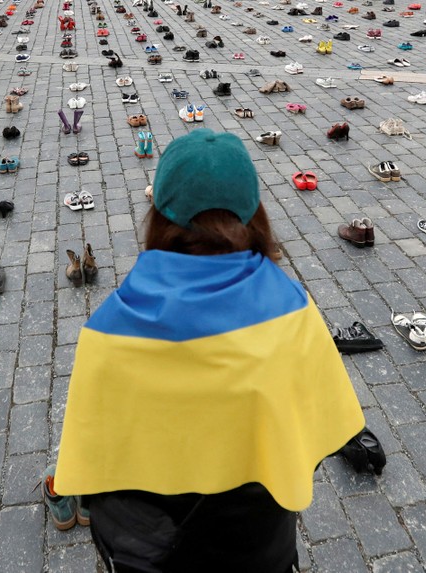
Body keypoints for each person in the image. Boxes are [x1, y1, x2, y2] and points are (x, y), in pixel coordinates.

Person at [53, 129, 365, 572]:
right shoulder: (293, 311)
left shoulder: (105, 330)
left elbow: (93, 465)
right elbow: (317, 438)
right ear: (255, 212)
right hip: (257, 548)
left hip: (146, 550)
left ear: (158, 214)